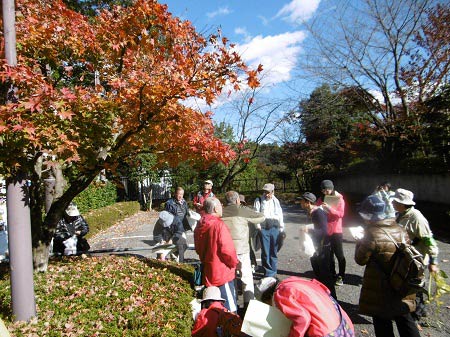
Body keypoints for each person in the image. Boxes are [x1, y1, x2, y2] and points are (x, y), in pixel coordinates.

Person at [355, 195, 420, 337]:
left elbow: (360, 260)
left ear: (369, 215)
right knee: (404, 318)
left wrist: (359, 242)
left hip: (380, 287)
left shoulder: (371, 233)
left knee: (382, 321)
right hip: (401, 280)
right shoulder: (400, 229)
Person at [392, 188, 439, 321]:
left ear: (401, 203)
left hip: (416, 259)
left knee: (415, 287)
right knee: (406, 285)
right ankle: (410, 310)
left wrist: (433, 261)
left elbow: (429, 239)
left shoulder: (416, 217)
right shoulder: (400, 214)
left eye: (395, 201)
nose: (393, 203)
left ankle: (416, 314)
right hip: (405, 258)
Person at [257, 276, 354, 337]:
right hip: (343, 323)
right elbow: (326, 290)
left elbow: (302, 319)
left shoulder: (281, 293)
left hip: (326, 332)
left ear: (268, 297)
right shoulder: (293, 282)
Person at [222, 191, 265, 310]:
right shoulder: (242, 210)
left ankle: (232, 305)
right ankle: (248, 306)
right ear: (237, 200)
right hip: (242, 249)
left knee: (230, 278)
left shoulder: (221, 212)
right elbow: (261, 217)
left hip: (226, 250)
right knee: (246, 278)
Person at [194, 197, 239, 312]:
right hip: (222, 272)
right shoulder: (219, 225)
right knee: (230, 309)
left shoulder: (199, 224)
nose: (222, 207)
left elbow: (198, 249)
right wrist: (234, 263)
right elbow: (227, 250)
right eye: (220, 205)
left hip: (208, 271)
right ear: (215, 208)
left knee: (214, 307)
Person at [299, 192, 336, 299]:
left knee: (325, 275)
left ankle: (333, 299)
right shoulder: (311, 212)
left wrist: (309, 229)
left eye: (302, 201)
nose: (300, 202)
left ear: (308, 202)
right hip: (315, 247)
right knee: (318, 274)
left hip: (322, 247)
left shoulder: (318, 212)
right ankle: (323, 298)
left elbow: (324, 231)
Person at [318, 179, 346, 286]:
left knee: (339, 254)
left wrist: (329, 208)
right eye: (324, 189)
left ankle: (341, 276)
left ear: (332, 188)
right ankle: (332, 274)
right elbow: (317, 210)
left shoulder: (339, 199)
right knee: (328, 254)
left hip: (336, 230)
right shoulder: (321, 199)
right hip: (325, 230)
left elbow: (341, 214)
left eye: (329, 189)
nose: (326, 191)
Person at [253, 183, 284, 277]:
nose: (266, 194)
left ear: (273, 192)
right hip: (263, 227)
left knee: (274, 251)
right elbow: (255, 213)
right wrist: (258, 226)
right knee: (266, 251)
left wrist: (282, 227)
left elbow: (280, 214)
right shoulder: (258, 200)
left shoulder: (276, 201)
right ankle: (268, 273)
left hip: (275, 227)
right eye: (265, 192)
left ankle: (273, 272)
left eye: (268, 192)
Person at [164, 186, 189, 262]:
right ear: (175, 194)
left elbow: (186, 213)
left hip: (183, 228)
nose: (180, 196)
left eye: (182, 194)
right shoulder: (169, 203)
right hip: (174, 229)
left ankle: (177, 259)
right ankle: (177, 261)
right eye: (179, 194)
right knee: (178, 246)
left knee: (184, 246)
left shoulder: (184, 202)